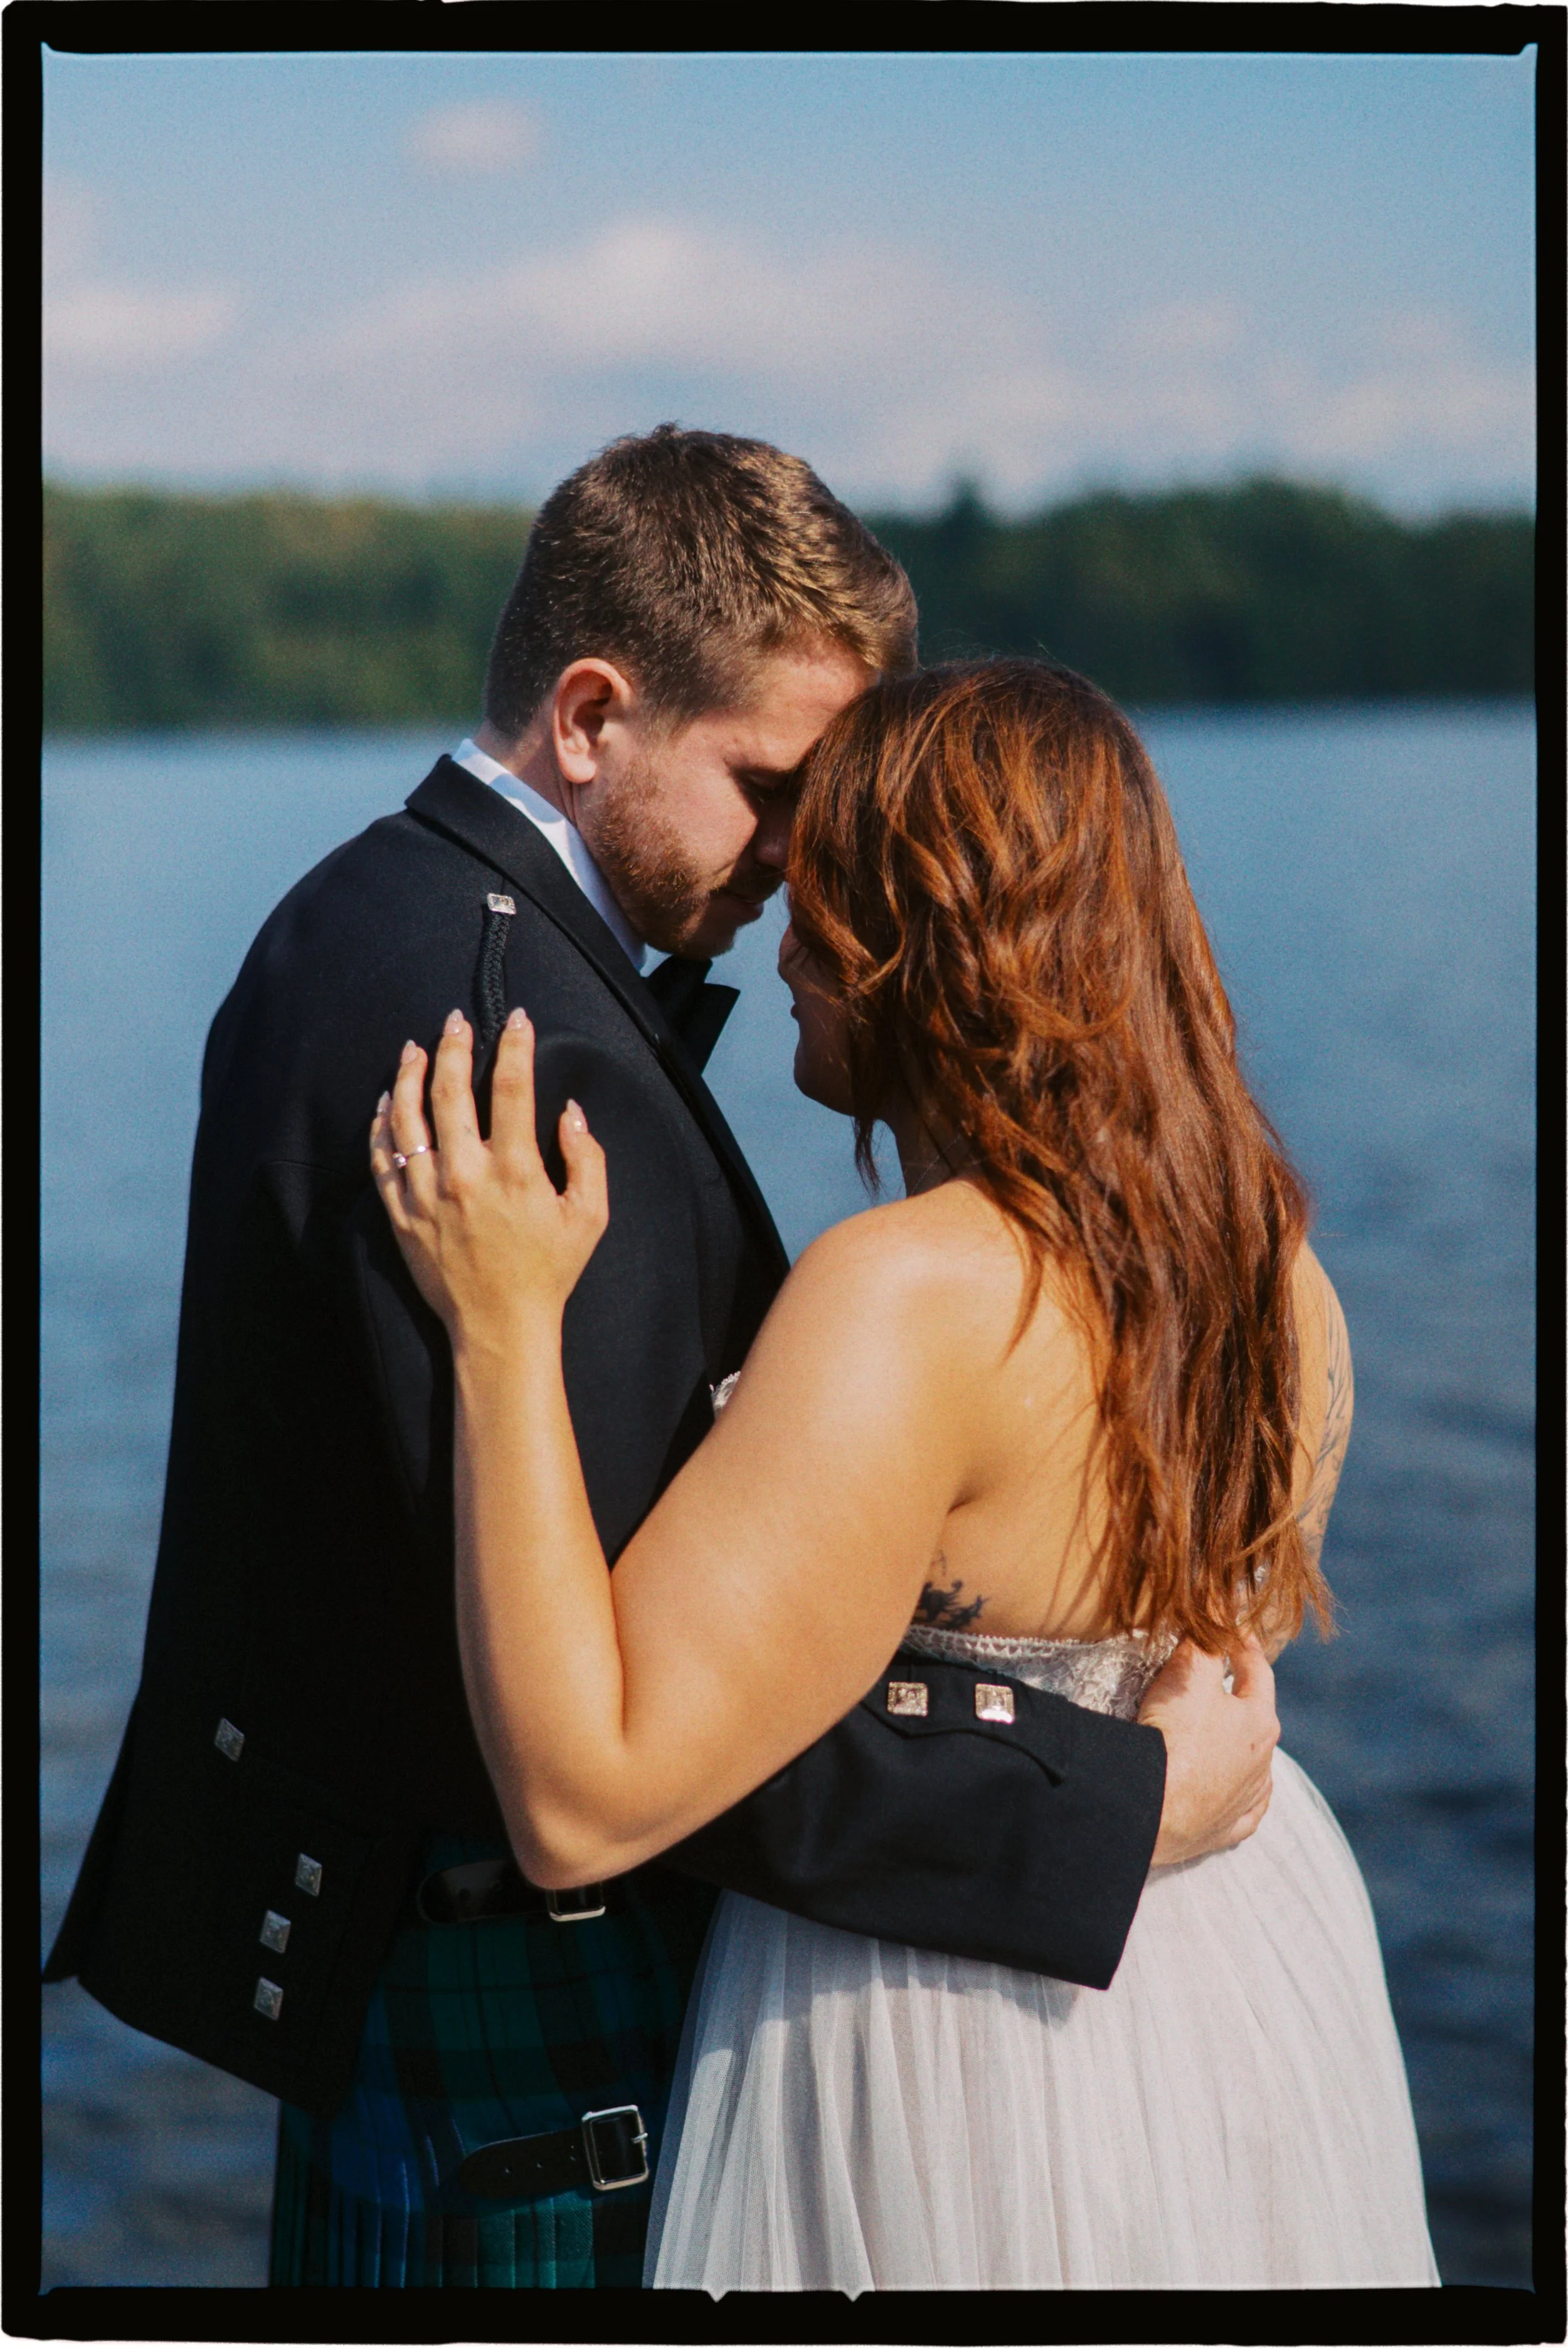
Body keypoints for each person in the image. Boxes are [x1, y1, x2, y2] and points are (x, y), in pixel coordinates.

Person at [45, 430, 1277, 2292]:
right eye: (771, 787)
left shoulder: (358, 921)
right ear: (594, 712)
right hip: (536, 2013)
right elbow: (641, 1716)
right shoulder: (520, 1036)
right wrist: (1110, 1811)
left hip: (420, 1976)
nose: (806, 862)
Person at [369, 656, 1440, 2293]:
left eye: (825, 901)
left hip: (962, 2044)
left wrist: (504, 1327)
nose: (784, 952)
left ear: (922, 943)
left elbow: (583, 1802)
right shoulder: (1270, 1262)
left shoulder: (907, 1295)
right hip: (1244, 1968)